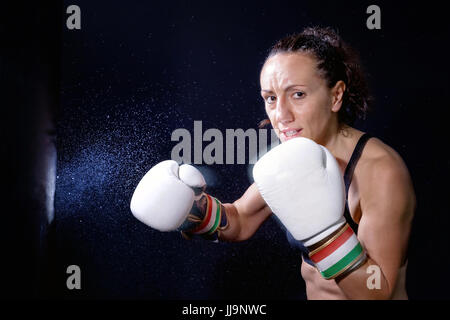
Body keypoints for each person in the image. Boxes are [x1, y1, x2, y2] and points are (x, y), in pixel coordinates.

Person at [130, 27, 416, 300]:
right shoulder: (293, 158)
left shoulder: (380, 172)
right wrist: (193, 211)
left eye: (298, 94)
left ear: (336, 95)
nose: (281, 114)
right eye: (270, 98)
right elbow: (241, 219)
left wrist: (325, 235)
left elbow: (378, 292)